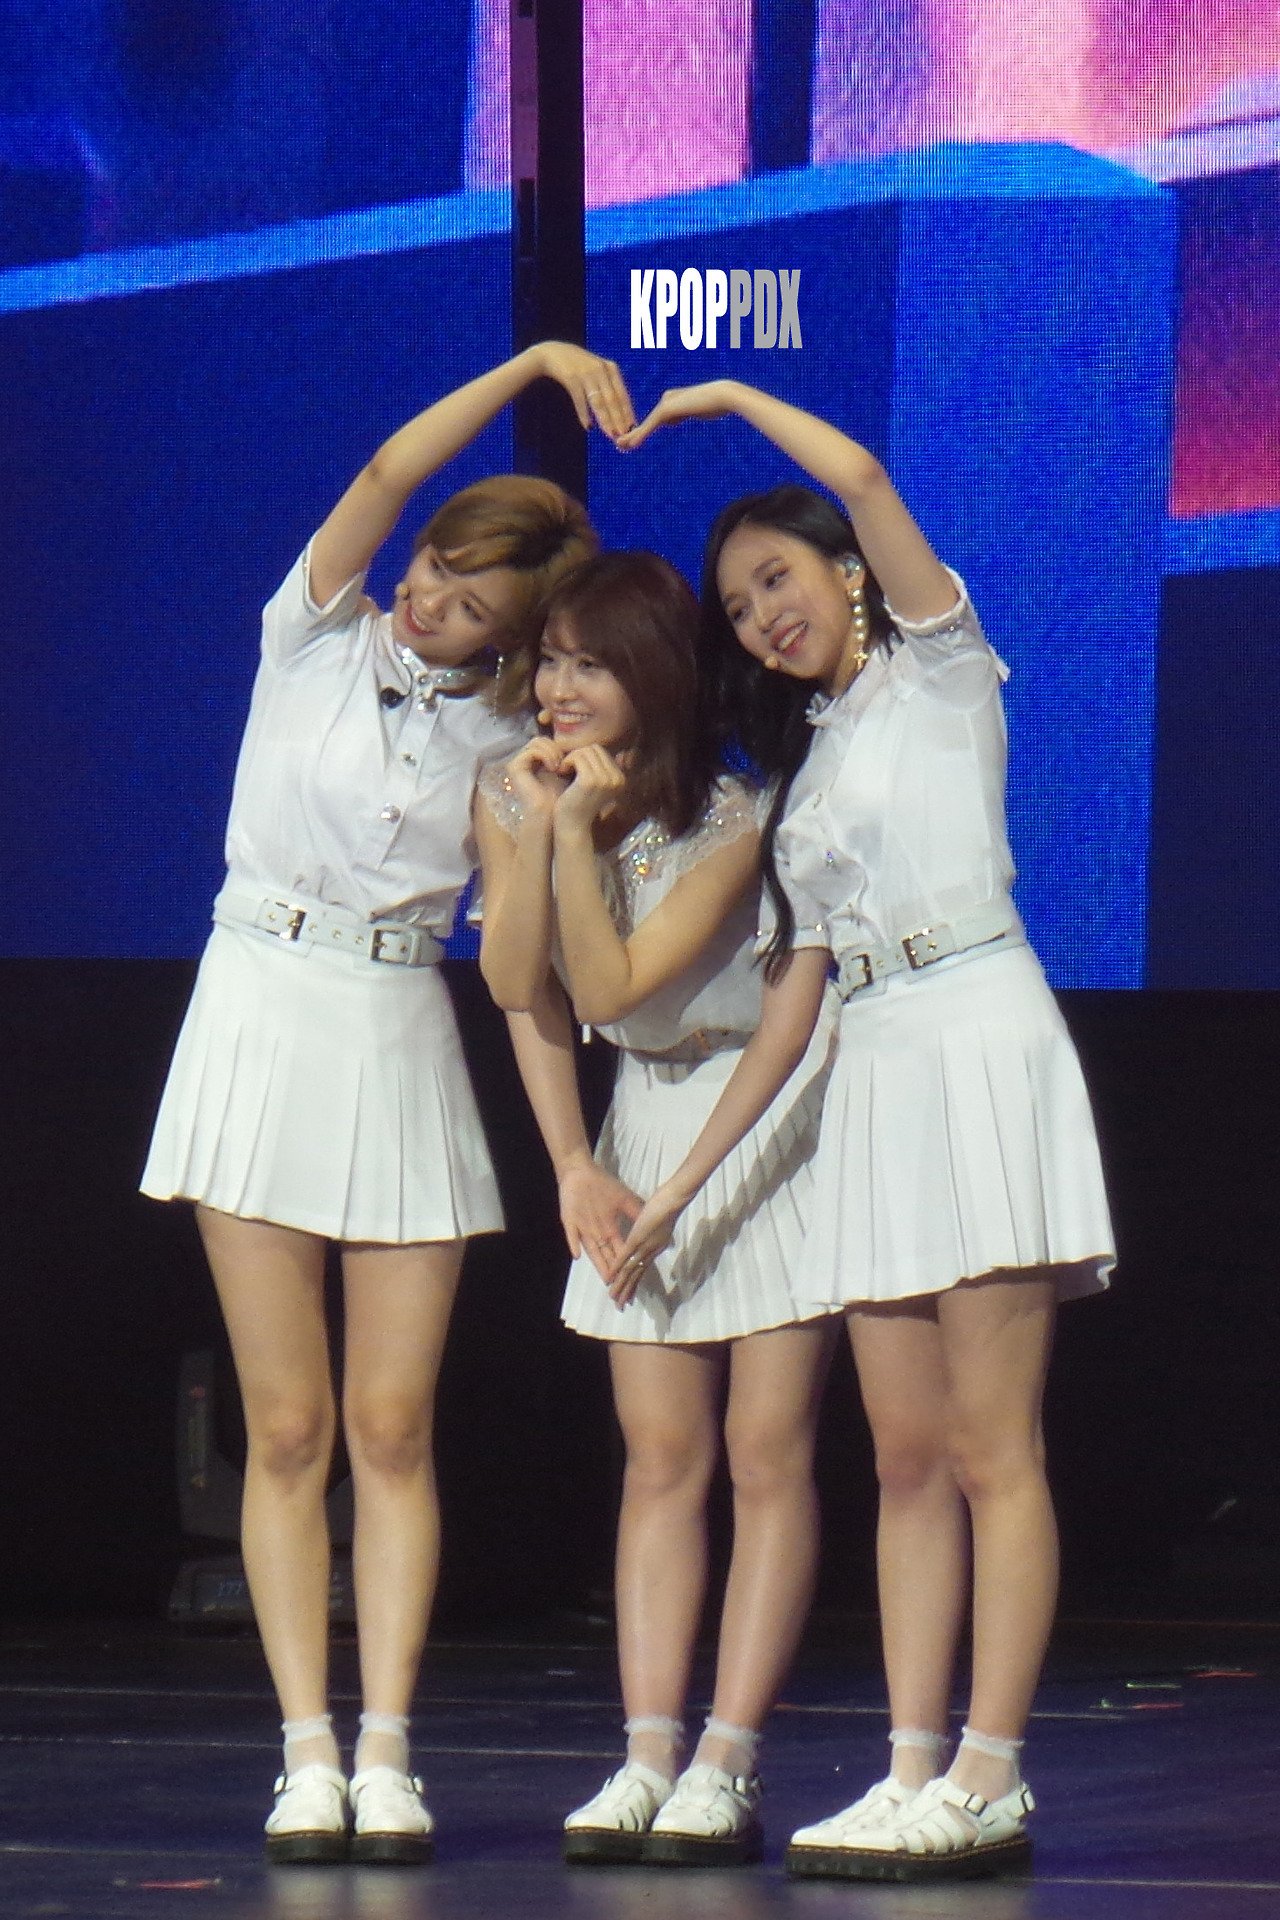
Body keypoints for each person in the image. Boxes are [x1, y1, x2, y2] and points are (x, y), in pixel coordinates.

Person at [612, 380, 1116, 1882]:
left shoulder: (943, 665)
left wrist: (724, 393)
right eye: (738, 605)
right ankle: (910, 1770)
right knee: (904, 1456)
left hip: (977, 1033)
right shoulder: (815, 760)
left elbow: (874, 479)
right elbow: (789, 1015)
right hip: (875, 1071)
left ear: (846, 572)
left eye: (779, 578)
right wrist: (674, 1194)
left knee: (992, 1446)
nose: (764, 617)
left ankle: (992, 1771)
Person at [141, 344, 634, 1864]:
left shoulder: (507, 742)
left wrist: (572, 1150)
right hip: (256, 1009)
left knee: (392, 1422)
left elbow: (520, 976)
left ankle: (389, 1750)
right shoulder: (310, 631)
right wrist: (530, 363)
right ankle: (304, 1751)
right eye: (436, 570)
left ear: (515, 639)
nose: (430, 600)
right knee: (287, 1423)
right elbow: (383, 472)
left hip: (396, 1024)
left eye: (473, 603)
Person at [474, 550, 839, 1867]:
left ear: (654, 674)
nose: (559, 689)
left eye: (590, 663)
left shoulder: (737, 814)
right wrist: (573, 1162)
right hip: (637, 1117)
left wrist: (569, 834)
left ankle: (726, 1760)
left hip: (759, 1113)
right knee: (660, 1456)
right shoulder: (515, 790)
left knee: (765, 1448)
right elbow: (519, 987)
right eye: (551, 661)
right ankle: (645, 1753)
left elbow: (616, 985)